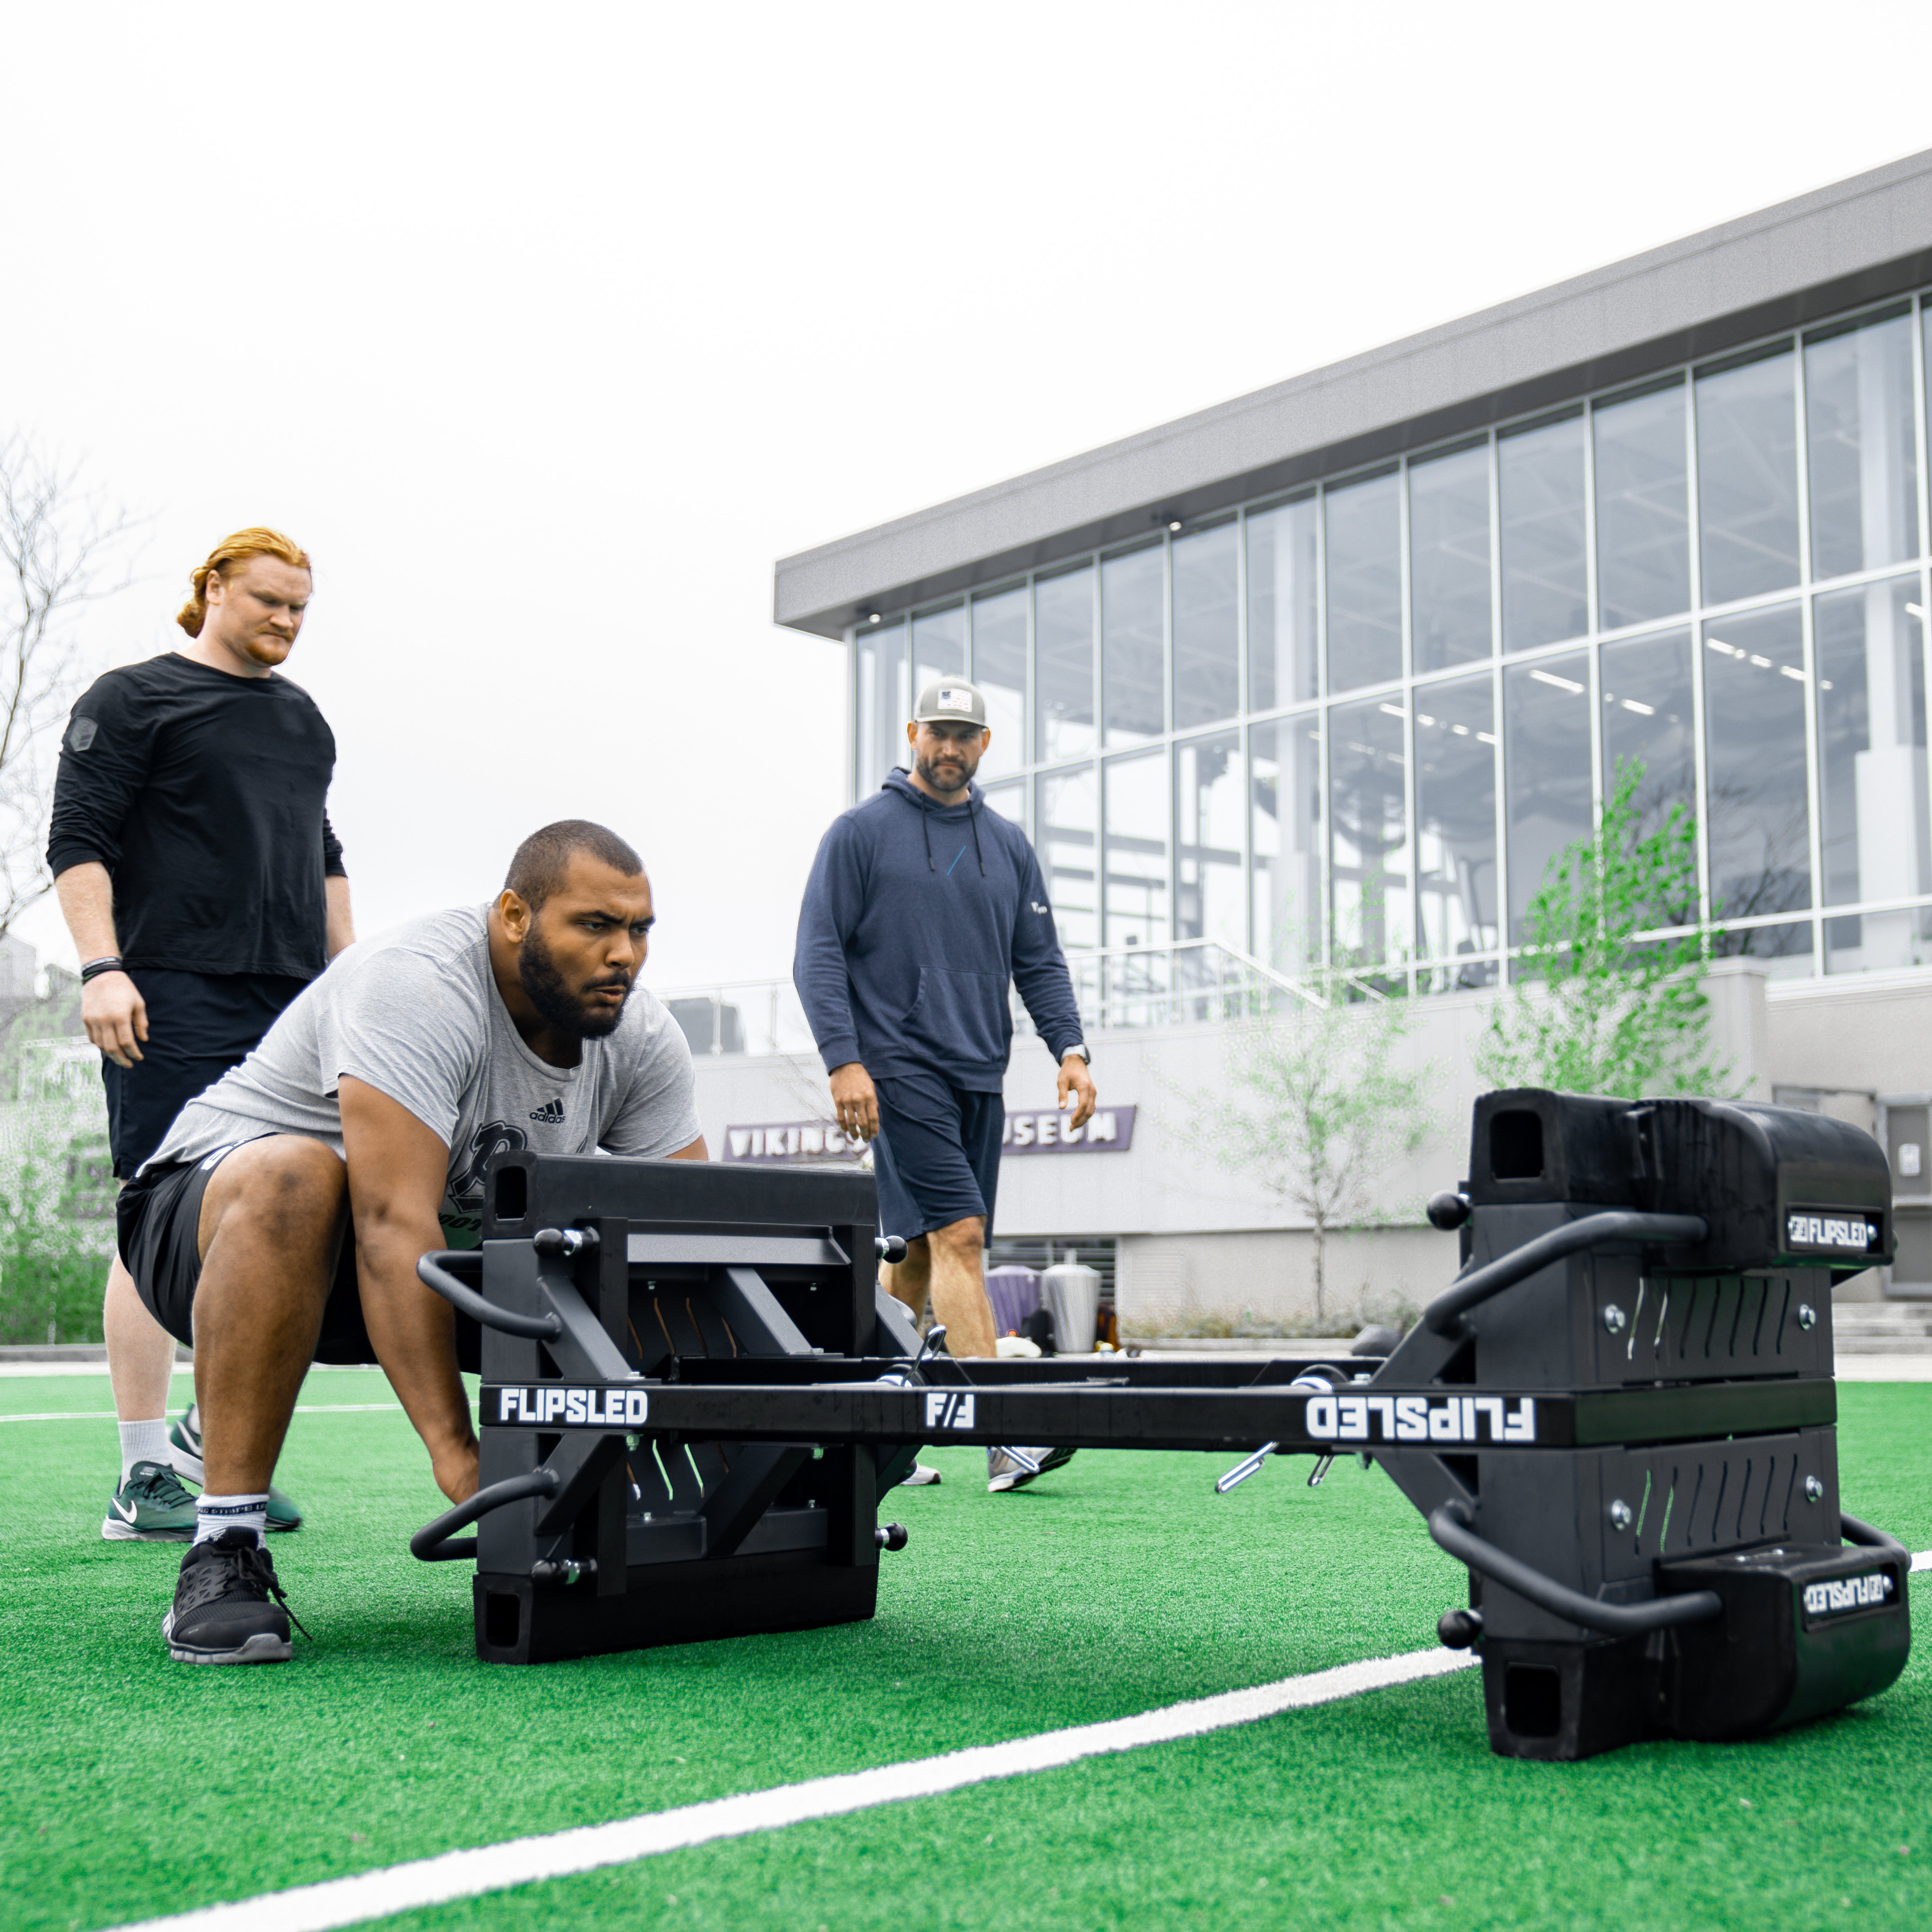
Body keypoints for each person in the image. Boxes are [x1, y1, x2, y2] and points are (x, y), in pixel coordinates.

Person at [118, 821, 704, 1664]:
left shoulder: (640, 1037)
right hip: (211, 1221)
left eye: (638, 929)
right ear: (514, 915)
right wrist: (461, 1459)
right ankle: (225, 1544)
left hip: (441, 1264)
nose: (624, 953)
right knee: (304, 1175)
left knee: (616, 1253)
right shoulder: (420, 984)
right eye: (594, 924)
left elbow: (697, 1240)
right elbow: (391, 1223)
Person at [48, 529, 355, 1544]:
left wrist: (350, 986)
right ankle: (141, 1477)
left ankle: (209, 1444)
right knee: (157, 1211)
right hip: (166, 993)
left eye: (300, 607)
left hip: (292, 1006)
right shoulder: (132, 698)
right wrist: (104, 968)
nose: (286, 620)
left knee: (303, 1219)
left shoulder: (304, 720)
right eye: (269, 600)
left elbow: (322, 856)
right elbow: (78, 842)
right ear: (213, 589)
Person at [794, 679, 1097, 1494]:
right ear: (911, 732)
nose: (949, 746)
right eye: (937, 731)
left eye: (965, 734)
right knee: (963, 1235)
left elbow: (1039, 959)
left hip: (979, 1071)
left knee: (919, 1256)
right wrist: (843, 1059)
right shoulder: (860, 833)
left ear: (984, 744)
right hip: (898, 1066)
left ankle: (874, 1421)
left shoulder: (1007, 845)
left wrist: (1069, 1048)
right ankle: (1006, 1435)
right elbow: (816, 951)